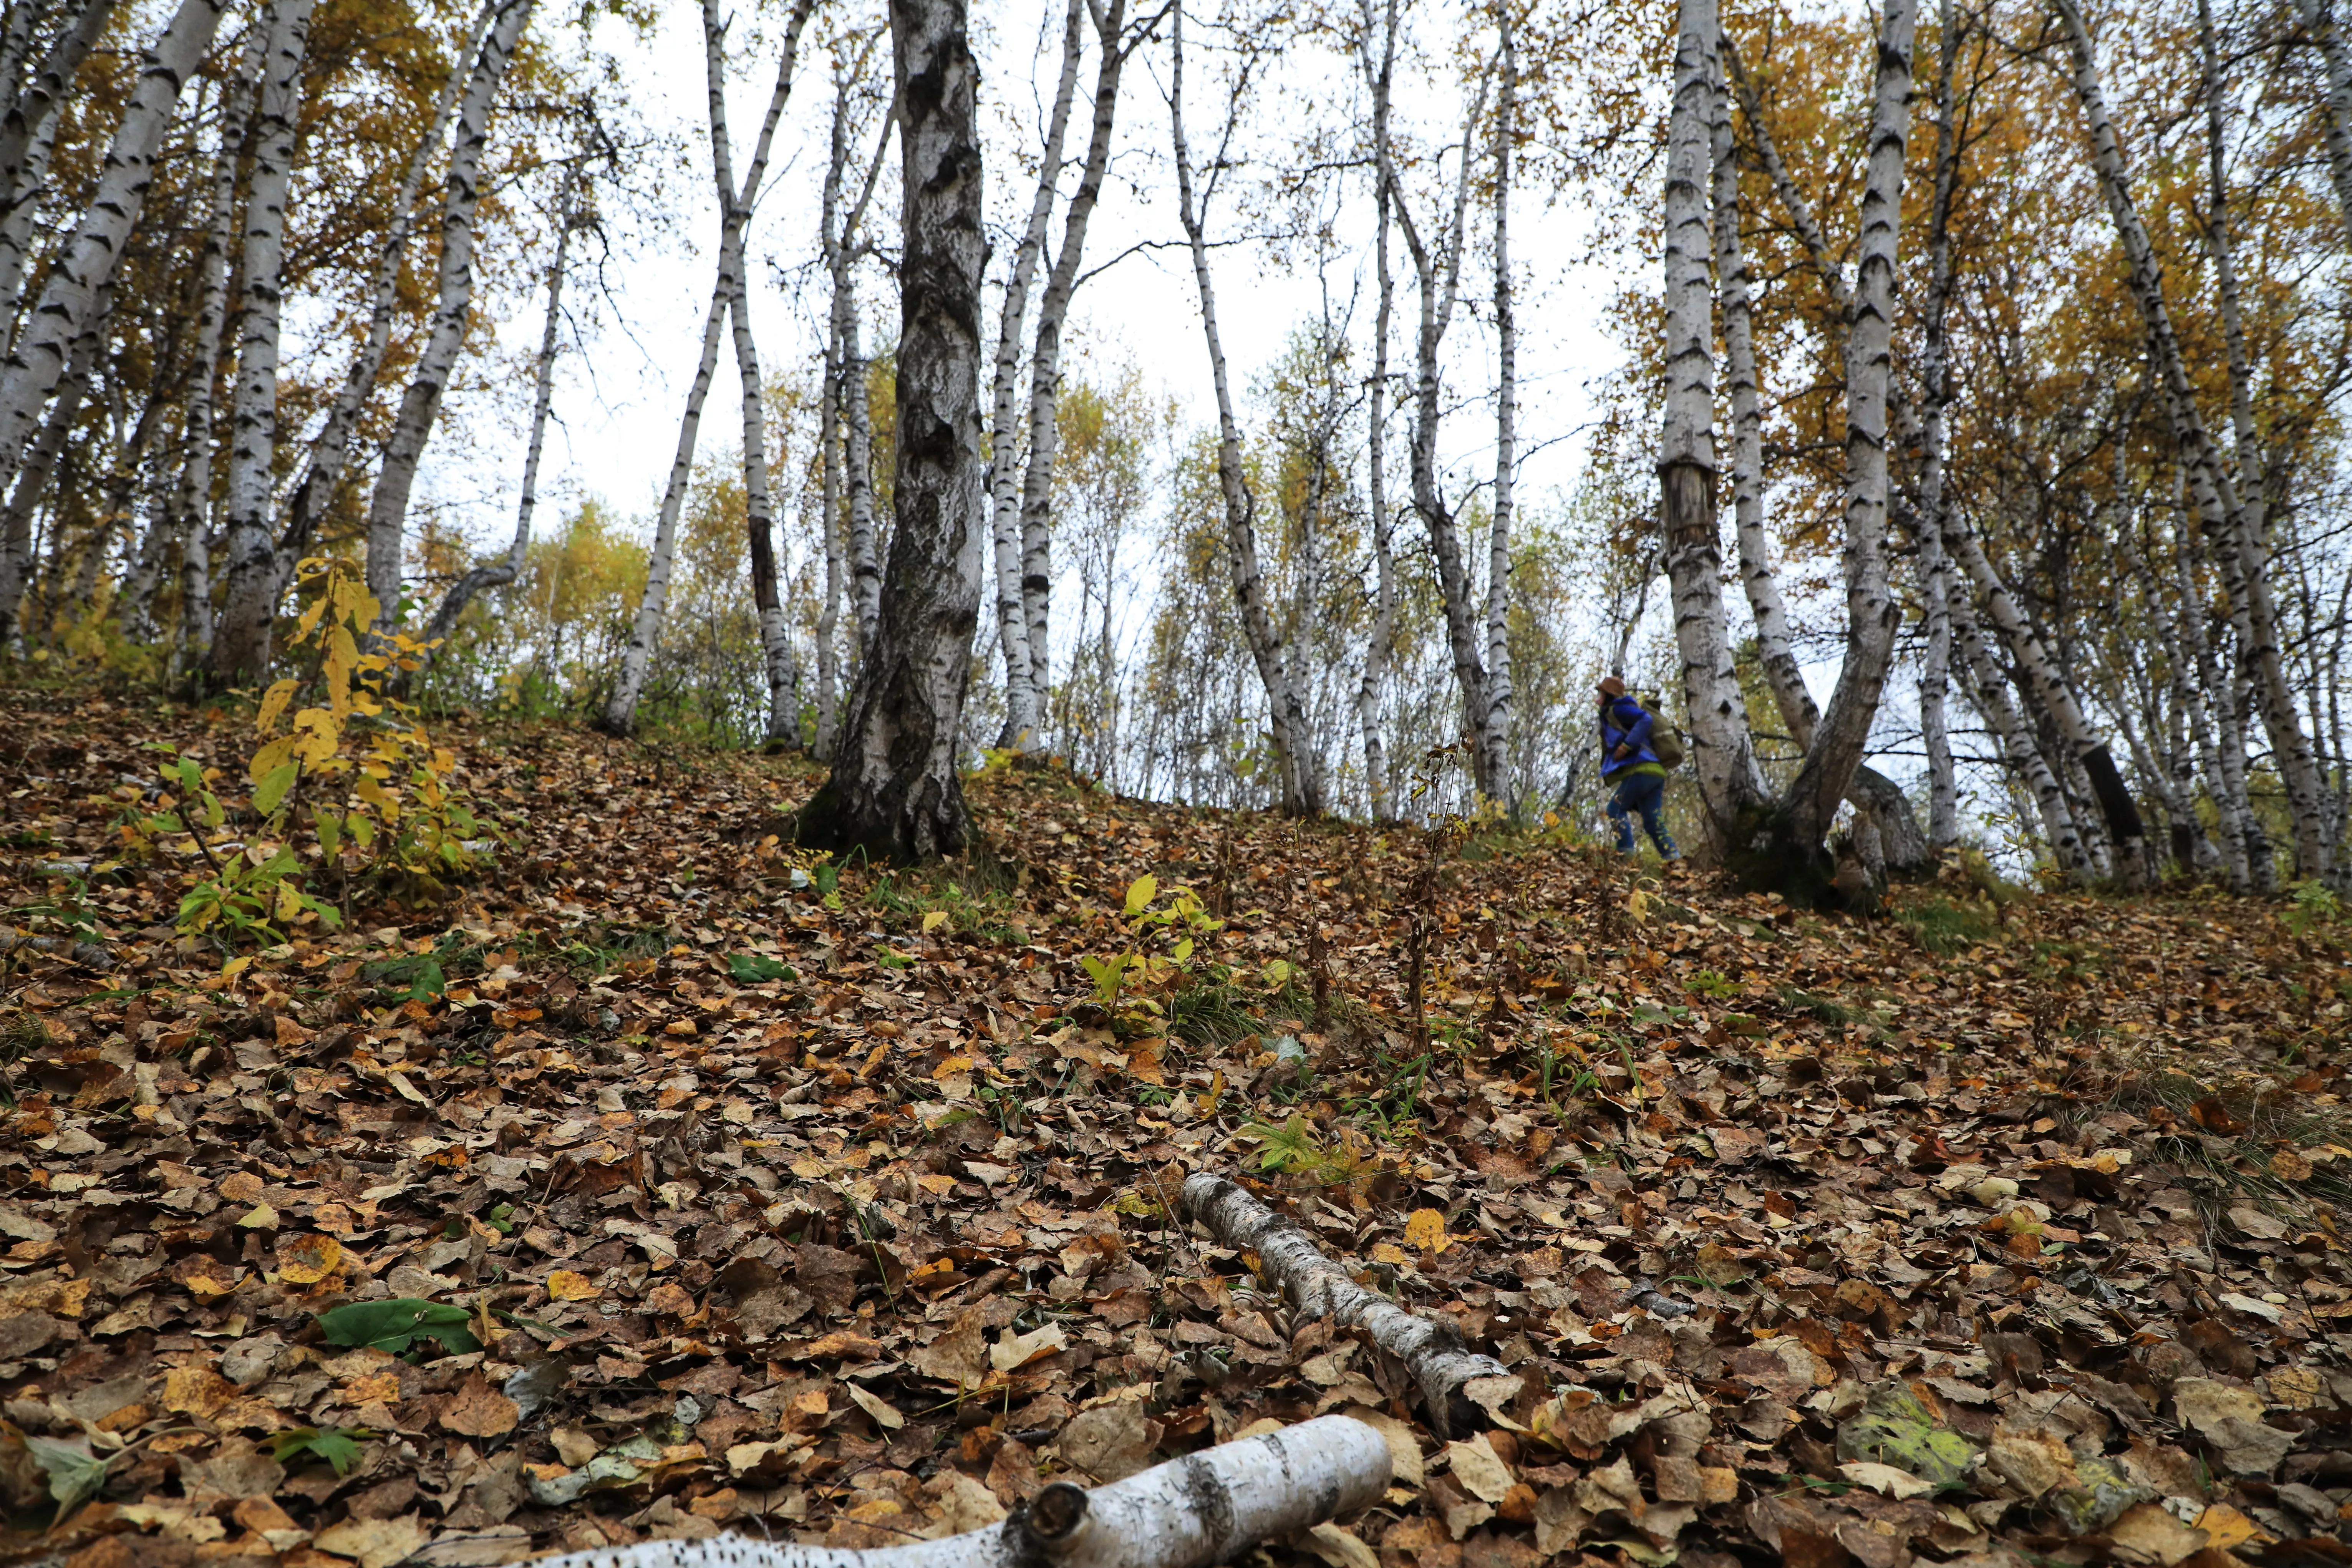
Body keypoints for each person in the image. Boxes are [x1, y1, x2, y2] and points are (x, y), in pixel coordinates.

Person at [1597, 675, 1680, 861]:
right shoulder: (1617, 711)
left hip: (1642, 770)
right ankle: (1674, 859)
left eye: (1601, 693)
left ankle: (1626, 857)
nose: (1598, 697)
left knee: (1615, 810)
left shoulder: (1619, 709)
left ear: (1609, 695)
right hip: (1655, 772)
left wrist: (1626, 746)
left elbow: (1645, 720)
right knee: (1653, 821)